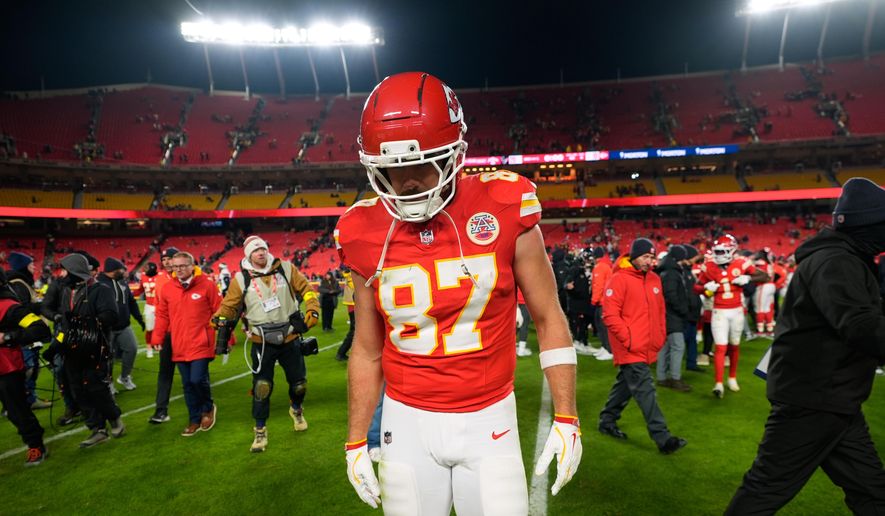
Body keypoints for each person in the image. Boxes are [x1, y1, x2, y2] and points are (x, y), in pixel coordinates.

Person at [335, 72, 581, 514]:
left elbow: (548, 316)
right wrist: (356, 439)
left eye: (421, 162)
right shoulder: (360, 229)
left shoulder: (504, 203)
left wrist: (566, 412)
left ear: (455, 155)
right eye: (391, 167)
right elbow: (367, 350)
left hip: (490, 415)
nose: (406, 180)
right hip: (405, 419)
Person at [727, 177, 885, 514]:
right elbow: (860, 326)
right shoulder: (837, 261)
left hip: (831, 397)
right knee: (765, 489)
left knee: (873, 492)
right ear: (869, 224)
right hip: (814, 398)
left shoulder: (840, 258)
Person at [213, 235, 319, 452]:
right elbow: (230, 306)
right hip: (261, 341)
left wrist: (312, 307)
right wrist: (219, 317)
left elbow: (306, 289)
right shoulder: (240, 279)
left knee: (299, 385)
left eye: (262, 248)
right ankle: (260, 430)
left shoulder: (286, 269)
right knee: (262, 387)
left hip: (290, 336)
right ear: (248, 255)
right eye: (255, 250)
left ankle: (296, 409)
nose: (260, 253)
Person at [598, 238, 687, 454]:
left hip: (646, 345)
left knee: (626, 386)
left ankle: (607, 420)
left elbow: (659, 311)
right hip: (630, 347)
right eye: (645, 257)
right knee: (646, 389)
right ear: (633, 256)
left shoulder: (655, 279)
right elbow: (609, 314)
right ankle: (663, 438)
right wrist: (629, 339)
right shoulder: (619, 279)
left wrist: (659, 335)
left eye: (651, 257)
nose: (649, 261)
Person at [55, 253, 125, 447]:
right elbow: (64, 321)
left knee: (96, 387)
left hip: (95, 347)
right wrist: (59, 342)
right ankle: (97, 429)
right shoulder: (67, 292)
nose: (62, 274)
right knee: (79, 390)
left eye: (65, 270)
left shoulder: (101, 290)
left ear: (74, 270)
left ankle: (114, 418)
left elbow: (110, 316)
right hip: (72, 350)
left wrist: (81, 325)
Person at [152, 251, 221, 437]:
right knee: (187, 384)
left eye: (183, 266)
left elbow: (219, 310)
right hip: (179, 344)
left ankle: (207, 408)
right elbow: (162, 315)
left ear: (192, 266)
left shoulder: (207, 285)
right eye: (175, 266)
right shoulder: (167, 288)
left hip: (202, 342)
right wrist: (157, 338)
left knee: (197, 379)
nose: (179, 270)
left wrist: (225, 338)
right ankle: (194, 419)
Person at [694, 234, 768, 398]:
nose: (718, 255)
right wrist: (706, 288)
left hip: (736, 311)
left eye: (722, 252)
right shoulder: (709, 266)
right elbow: (697, 288)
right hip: (719, 311)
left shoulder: (741, 263)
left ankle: (732, 377)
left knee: (734, 345)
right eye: (717, 252)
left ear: (731, 250)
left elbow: (765, 276)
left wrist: (747, 277)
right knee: (720, 347)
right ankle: (718, 383)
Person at [0, 268, 51, 465]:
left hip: (8, 369)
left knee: (17, 412)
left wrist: (7, 337)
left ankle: (35, 445)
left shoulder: (8, 307)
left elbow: (39, 329)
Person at [5, 251, 51, 410]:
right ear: (23, 266)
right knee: (29, 368)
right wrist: (41, 307)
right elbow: (21, 309)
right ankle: (26, 400)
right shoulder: (18, 283)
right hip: (25, 333)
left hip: (23, 333)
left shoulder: (18, 281)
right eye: (31, 264)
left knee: (30, 367)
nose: (34, 266)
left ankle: (23, 399)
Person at [98, 258, 144, 391]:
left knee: (132, 349)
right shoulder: (99, 284)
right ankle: (109, 381)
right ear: (113, 270)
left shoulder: (122, 282)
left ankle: (125, 376)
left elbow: (131, 302)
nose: (124, 271)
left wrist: (139, 318)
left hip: (124, 325)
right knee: (108, 356)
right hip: (107, 328)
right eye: (121, 269)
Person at [147, 247, 178, 424]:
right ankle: (161, 410)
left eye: (170, 258)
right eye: (164, 259)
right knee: (165, 372)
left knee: (193, 374)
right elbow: (160, 309)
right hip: (167, 332)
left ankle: (204, 408)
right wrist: (158, 336)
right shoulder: (159, 279)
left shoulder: (187, 278)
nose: (166, 262)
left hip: (184, 332)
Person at [655, 245, 691, 392]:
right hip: (672, 316)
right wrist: (682, 310)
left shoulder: (665, 271)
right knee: (677, 346)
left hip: (666, 315)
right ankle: (675, 378)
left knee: (665, 347)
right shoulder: (671, 273)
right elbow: (671, 295)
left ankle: (662, 377)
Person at [681, 245, 704, 372]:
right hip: (687, 313)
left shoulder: (688, 271)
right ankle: (671, 370)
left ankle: (691, 363)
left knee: (692, 340)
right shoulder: (683, 272)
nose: (696, 259)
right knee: (680, 342)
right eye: (695, 257)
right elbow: (687, 294)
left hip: (692, 313)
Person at [590, 246, 614, 361]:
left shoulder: (600, 267)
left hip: (603, 302)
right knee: (601, 325)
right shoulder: (606, 266)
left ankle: (609, 350)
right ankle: (605, 347)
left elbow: (598, 286)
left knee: (603, 327)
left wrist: (594, 301)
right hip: (605, 301)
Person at [335, 267, 356, 361]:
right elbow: (357, 289)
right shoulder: (353, 276)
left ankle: (342, 352)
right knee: (354, 330)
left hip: (353, 306)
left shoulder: (350, 276)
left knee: (355, 330)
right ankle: (341, 352)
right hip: (354, 306)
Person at [139, 262, 159, 358]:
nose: (145, 270)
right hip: (149, 306)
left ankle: (158, 345)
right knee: (149, 329)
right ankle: (149, 348)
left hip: (160, 306)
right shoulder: (143, 277)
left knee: (161, 328)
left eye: (147, 268)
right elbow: (140, 289)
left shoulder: (160, 277)